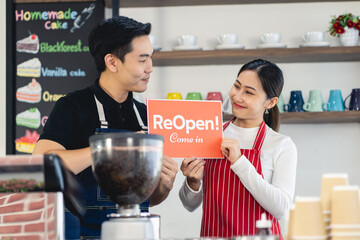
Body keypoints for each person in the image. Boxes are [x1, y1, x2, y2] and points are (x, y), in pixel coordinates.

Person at [33, 16, 178, 239]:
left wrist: (164, 186)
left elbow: (146, 200)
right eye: (142, 59)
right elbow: (43, 165)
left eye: (151, 58)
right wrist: (110, 149)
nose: (150, 68)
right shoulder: (73, 106)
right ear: (112, 62)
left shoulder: (145, 115)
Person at [179, 59, 297, 239]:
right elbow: (189, 205)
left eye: (249, 92)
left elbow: (282, 209)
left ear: (270, 102)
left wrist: (240, 162)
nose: (237, 96)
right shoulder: (210, 133)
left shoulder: (280, 144)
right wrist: (193, 183)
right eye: (236, 86)